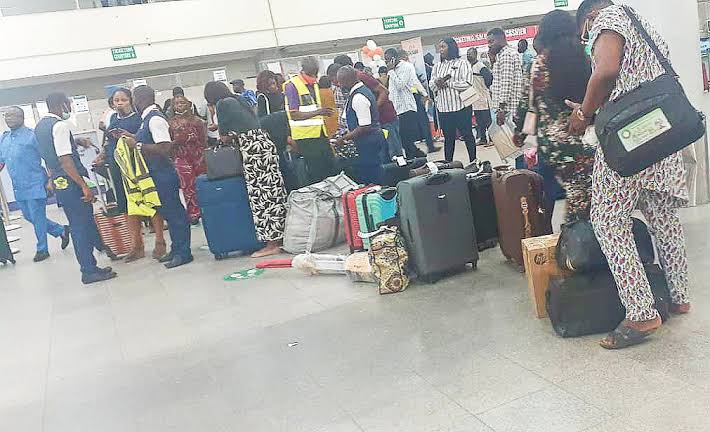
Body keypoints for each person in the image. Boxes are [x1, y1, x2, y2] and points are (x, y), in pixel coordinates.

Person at [568, 0, 691, 349]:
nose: (587, 40)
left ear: (589, 17)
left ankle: (641, 312)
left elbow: (606, 71)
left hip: (629, 136)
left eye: (584, 35)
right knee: (662, 215)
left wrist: (583, 114)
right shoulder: (643, 23)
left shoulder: (606, 18)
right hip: (662, 128)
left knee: (607, 220)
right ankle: (680, 295)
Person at [515, 10, 593, 223]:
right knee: (581, 197)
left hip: (553, 146)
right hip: (585, 141)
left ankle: (547, 239)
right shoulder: (585, 58)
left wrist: (519, 134)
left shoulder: (539, 64)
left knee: (547, 195)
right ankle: (578, 241)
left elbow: (526, 104)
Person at [34, 93, 117, 284]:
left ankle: (93, 263)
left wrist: (77, 142)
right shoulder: (60, 125)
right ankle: (88, 270)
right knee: (80, 226)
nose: (70, 107)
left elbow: (51, 154)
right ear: (62, 105)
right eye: (68, 104)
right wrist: (84, 186)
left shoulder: (40, 126)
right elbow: (65, 160)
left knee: (81, 222)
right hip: (71, 181)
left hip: (60, 181)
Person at [204, 81, 287, 258]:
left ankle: (271, 244)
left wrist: (215, 120)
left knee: (261, 196)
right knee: (274, 193)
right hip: (264, 143)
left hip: (252, 150)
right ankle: (282, 237)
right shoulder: (239, 99)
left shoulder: (222, 104)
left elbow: (224, 137)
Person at [120, 86, 193, 269]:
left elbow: (164, 147)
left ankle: (184, 253)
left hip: (163, 173)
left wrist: (137, 145)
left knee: (175, 214)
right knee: (168, 212)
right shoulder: (146, 119)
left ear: (140, 99)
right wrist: (133, 138)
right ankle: (177, 249)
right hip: (154, 174)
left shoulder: (155, 119)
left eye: (134, 99)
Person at [97, 87, 166, 263]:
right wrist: (102, 155)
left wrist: (130, 136)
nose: (120, 103)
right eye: (116, 100)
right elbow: (108, 145)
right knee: (128, 207)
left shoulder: (139, 119)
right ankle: (137, 245)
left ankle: (160, 241)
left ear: (131, 101)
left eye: (124, 99)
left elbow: (144, 140)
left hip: (140, 169)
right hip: (119, 171)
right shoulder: (112, 122)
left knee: (150, 202)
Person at [0, 106, 70, 262]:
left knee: (37, 217)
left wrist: (51, 180)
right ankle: (61, 230)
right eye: (6, 116)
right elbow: (1, 161)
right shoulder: (4, 138)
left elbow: (47, 158)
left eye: (13, 115)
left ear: (22, 117)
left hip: (36, 183)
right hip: (18, 186)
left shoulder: (32, 136)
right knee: (28, 216)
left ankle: (42, 249)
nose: (9, 118)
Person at [333, 54, 403, 161]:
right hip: (376, 122)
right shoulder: (353, 87)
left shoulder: (360, 77)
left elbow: (384, 91)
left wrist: (371, 109)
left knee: (394, 156)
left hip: (385, 118)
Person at [283, 56, 336, 184]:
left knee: (332, 168)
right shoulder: (292, 86)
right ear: (304, 71)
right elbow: (294, 115)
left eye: (316, 74)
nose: (314, 77)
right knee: (317, 173)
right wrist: (319, 112)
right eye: (311, 74)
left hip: (320, 133)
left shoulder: (314, 85)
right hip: (305, 137)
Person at [429, 38, 478, 163]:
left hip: (461, 106)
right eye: (440, 47)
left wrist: (449, 84)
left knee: (467, 135)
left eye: (443, 47)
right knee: (449, 139)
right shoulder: (437, 66)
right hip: (444, 108)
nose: (440, 50)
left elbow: (468, 83)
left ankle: (473, 161)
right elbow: (431, 85)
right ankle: (448, 165)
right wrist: (437, 83)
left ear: (451, 47)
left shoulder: (463, 63)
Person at [335, 66, 386, 185]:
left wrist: (344, 138)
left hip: (368, 142)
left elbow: (364, 126)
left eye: (341, 82)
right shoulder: (361, 91)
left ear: (348, 81)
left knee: (372, 177)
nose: (340, 85)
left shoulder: (358, 97)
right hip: (369, 141)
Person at [168, 95, 207, 225]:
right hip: (181, 157)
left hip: (198, 155)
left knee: (201, 182)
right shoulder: (171, 123)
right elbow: (168, 142)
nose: (180, 105)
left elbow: (203, 140)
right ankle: (193, 213)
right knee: (187, 185)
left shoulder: (197, 121)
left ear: (188, 104)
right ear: (173, 106)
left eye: (182, 102)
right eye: (177, 103)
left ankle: (206, 209)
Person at [384, 48, 429, 159]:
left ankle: (413, 158)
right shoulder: (392, 71)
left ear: (394, 58)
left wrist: (391, 71)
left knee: (406, 137)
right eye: (385, 60)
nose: (386, 63)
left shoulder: (406, 67)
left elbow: (401, 85)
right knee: (403, 138)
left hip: (406, 107)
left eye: (388, 60)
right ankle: (417, 155)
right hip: (396, 108)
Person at [488, 28, 524, 128]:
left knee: (508, 141)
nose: (489, 45)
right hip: (509, 108)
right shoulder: (505, 54)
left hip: (507, 110)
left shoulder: (506, 55)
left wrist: (501, 109)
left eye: (491, 41)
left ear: (501, 39)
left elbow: (506, 83)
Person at [466, 48, 494, 145]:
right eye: (467, 54)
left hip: (483, 97)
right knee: (479, 121)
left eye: (471, 54)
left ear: (475, 54)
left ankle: (492, 139)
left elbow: (489, 78)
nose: (469, 56)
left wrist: (486, 88)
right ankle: (483, 139)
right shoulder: (469, 67)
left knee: (487, 121)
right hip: (474, 99)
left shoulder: (480, 66)